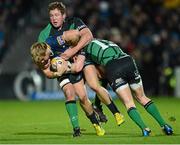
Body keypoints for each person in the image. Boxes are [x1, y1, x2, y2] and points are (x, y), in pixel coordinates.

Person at [59, 31, 173, 136]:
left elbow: (96, 76)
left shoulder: (83, 51)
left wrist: (67, 67)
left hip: (113, 67)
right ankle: (165, 125)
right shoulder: (103, 41)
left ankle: (144, 129)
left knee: (129, 103)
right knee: (142, 97)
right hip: (128, 60)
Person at [38, 1, 107, 123]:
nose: (54, 18)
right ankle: (82, 125)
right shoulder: (44, 35)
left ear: (64, 15)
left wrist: (74, 51)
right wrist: (54, 70)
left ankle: (98, 106)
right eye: (51, 16)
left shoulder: (74, 22)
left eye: (57, 15)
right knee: (78, 96)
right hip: (63, 67)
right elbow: (42, 60)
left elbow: (88, 36)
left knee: (103, 75)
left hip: (81, 57)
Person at [30, 35, 106, 137]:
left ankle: (96, 121)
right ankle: (76, 130)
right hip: (61, 74)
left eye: (43, 59)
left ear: (46, 51)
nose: (43, 63)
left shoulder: (55, 41)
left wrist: (76, 51)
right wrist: (57, 73)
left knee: (83, 97)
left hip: (73, 66)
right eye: (40, 62)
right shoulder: (39, 58)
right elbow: (48, 73)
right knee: (69, 93)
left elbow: (76, 35)